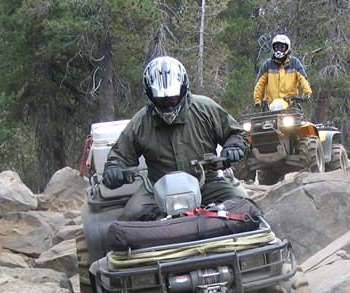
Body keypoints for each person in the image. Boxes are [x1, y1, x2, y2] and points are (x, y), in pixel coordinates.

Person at [102, 56, 249, 221]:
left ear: (183, 90)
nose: (168, 105)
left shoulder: (205, 109)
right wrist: (114, 171)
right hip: (157, 190)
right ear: (150, 96)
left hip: (207, 183)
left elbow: (236, 133)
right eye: (161, 100)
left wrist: (234, 146)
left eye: (172, 98)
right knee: (131, 216)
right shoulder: (140, 122)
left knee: (244, 205)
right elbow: (120, 157)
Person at [252, 34, 313, 109]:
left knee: (300, 120)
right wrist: (257, 99)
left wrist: (307, 93)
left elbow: (303, 79)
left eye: (282, 48)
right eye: (277, 47)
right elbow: (259, 83)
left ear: (287, 48)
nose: (279, 50)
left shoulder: (294, 63)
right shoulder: (268, 64)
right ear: (274, 48)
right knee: (261, 120)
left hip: (290, 105)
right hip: (270, 106)